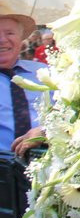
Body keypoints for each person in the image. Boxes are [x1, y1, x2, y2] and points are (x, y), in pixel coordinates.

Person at [0, 10, 46, 159]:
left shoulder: (45, 73)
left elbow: (70, 115)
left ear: (21, 39)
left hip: (46, 167)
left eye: (10, 33)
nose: (2, 40)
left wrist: (45, 130)